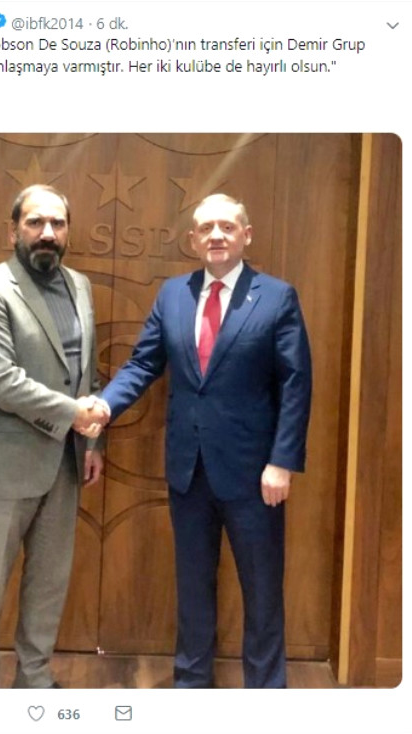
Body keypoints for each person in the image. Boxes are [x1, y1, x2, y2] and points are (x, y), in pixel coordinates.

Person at [96, 193, 312, 688]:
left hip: (255, 475)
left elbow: (295, 384)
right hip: (187, 470)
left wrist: (282, 461)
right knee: (193, 586)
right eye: (206, 228)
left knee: (262, 588)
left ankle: (265, 691)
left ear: (246, 235)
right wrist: (105, 407)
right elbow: (143, 364)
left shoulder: (277, 297)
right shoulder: (173, 294)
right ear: (193, 239)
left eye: (227, 227)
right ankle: (192, 684)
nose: (216, 235)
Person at [0, 184, 107, 688]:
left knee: (48, 584)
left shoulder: (80, 286)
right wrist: (75, 415)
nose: (48, 233)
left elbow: (87, 371)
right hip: (4, 464)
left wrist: (92, 442)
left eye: (57, 224)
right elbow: (1, 382)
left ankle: (34, 681)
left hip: (65, 462)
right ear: (13, 230)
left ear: (68, 231)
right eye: (35, 222)